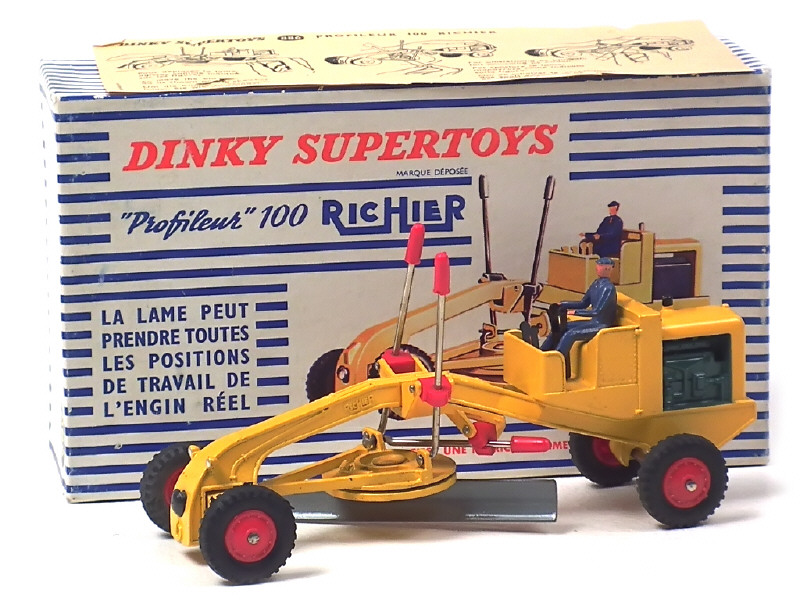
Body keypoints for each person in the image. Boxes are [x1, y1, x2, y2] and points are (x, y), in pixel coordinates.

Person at [541, 257, 617, 377]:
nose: (597, 268)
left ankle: (555, 362)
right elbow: (583, 303)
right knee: (562, 328)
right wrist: (564, 304)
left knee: (571, 334)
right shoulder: (595, 284)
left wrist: (574, 312)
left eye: (600, 266)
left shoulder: (608, 289)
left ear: (607, 269)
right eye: (597, 265)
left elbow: (596, 311)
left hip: (601, 324)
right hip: (593, 321)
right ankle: (541, 353)